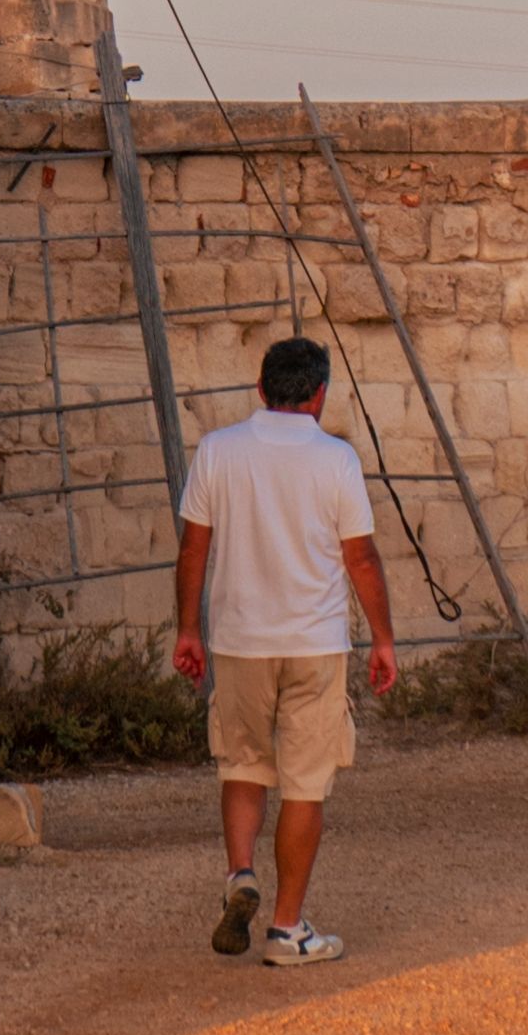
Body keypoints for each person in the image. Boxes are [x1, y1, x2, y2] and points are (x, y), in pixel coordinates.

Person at [171, 333, 399, 964]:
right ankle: (286, 929)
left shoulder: (218, 451)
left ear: (261, 389)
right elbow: (361, 557)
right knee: (305, 783)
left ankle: (240, 873)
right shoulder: (336, 461)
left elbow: (194, 549)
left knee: (242, 765)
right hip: (314, 643)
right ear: (319, 394)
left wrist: (188, 630)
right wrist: (382, 639)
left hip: (240, 640)